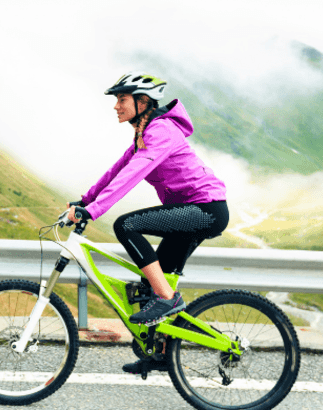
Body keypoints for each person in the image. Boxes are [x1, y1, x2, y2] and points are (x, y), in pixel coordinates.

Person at [67, 71, 229, 375]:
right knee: (150, 284)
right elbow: (117, 170)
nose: (116, 105)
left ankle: (167, 299)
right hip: (190, 211)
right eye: (116, 99)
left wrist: (96, 210)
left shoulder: (161, 131)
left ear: (143, 102)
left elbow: (133, 175)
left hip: (204, 209)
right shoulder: (144, 133)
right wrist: (86, 201)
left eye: (122, 99)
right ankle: (161, 353)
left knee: (126, 226)